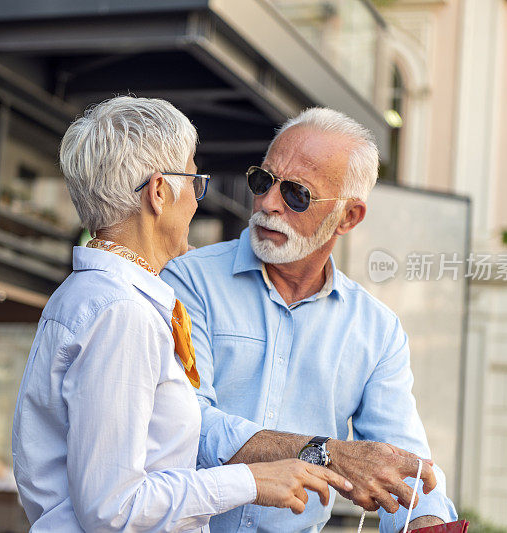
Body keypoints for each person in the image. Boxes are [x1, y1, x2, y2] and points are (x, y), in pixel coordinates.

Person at [11, 96, 353, 532]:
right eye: (194, 180)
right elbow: (112, 508)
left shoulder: (98, 296)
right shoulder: (123, 312)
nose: (195, 200)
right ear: (158, 193)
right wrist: (250, 479)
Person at [161, 107, 459, 533]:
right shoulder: (187, 281)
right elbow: (188, 424)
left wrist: (427, 520)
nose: (267, 203)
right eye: (262, 181)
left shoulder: (378, 330)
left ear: (349, 217)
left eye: (297, 194)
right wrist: (325, 452)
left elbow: (408, 474)